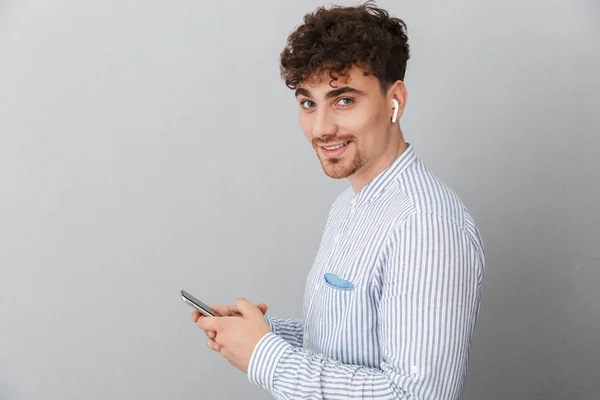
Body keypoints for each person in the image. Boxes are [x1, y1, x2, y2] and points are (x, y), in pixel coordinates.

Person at [194, 2, 485, 399]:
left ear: (394, 100)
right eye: (308, 103)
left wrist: (266, 356)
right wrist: (263, 334)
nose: (321, 128)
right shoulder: (349, 205)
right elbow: (349, 341)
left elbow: (416, 395)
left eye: (344, 100)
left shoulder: (424, 225)